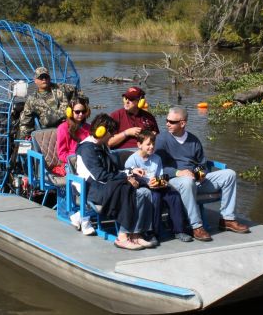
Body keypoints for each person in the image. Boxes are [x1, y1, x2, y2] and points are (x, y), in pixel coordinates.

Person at [155, 105, 250, 242]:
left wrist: (200, 175)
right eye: (167, 120)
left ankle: (227, 219)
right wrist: (178, 172)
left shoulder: (194, 140)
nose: (167, 124)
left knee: (230, 174)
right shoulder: (161, 139)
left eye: (172, 122)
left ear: (182, 123)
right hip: (173, 181)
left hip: (195, 180)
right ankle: (196, 226)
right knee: (187, 182)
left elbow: (202, 165)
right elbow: (158, 167)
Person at [75, 113, 155, 250]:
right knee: (127, 189)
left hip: (106, 185)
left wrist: (130, 172)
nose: (112, 137)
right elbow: (100, 176)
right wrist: (125, 178)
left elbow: (111, 172)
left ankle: (136, 234)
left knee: (143, 190)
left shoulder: (102, 146)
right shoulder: (87, 149)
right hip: (91, 189)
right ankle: (122, 236)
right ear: (102, 131)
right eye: (111, 133)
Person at [124, 130, 193, 243]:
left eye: (153, 144)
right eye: (148, 144)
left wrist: (163, 182)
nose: (151, 147)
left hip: (156, 185)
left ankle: (179, 230)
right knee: (155, 198)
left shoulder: (156, 158)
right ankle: (152, 233)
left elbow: (160, 175)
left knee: (173, 195)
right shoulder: (133, 160)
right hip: (142, 187)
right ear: (139, 145)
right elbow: (130, 178)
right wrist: (146, 183)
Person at [18, 66, 82, 139]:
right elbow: (26, 121)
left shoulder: (62, 88)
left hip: (68, 128)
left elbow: (80, 94)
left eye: (46, 77)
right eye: (41, 77)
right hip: (48, 132)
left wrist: (75, 105)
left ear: (50, 78)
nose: (44, 79)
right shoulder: (32, 99)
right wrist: (25, 137)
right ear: (35, 80)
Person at [53, 97, 91, 176]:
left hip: (88, 160)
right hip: (71, 163)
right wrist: (76, 159)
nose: (80, 114)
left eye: (83, 111)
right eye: (77, 112)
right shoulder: (63, 128)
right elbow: (62, 154)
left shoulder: (89, 127)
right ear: (70, 112)